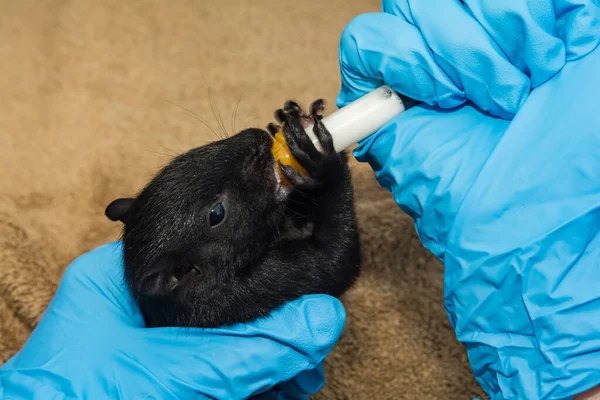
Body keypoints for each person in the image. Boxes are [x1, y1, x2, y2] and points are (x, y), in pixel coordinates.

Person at [1, 1, 599, 399]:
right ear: (188, 272)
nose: (249, 145)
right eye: (217, 212)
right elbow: (331, 263)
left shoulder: (200, 268)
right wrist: (332, 178)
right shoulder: (229, 294)